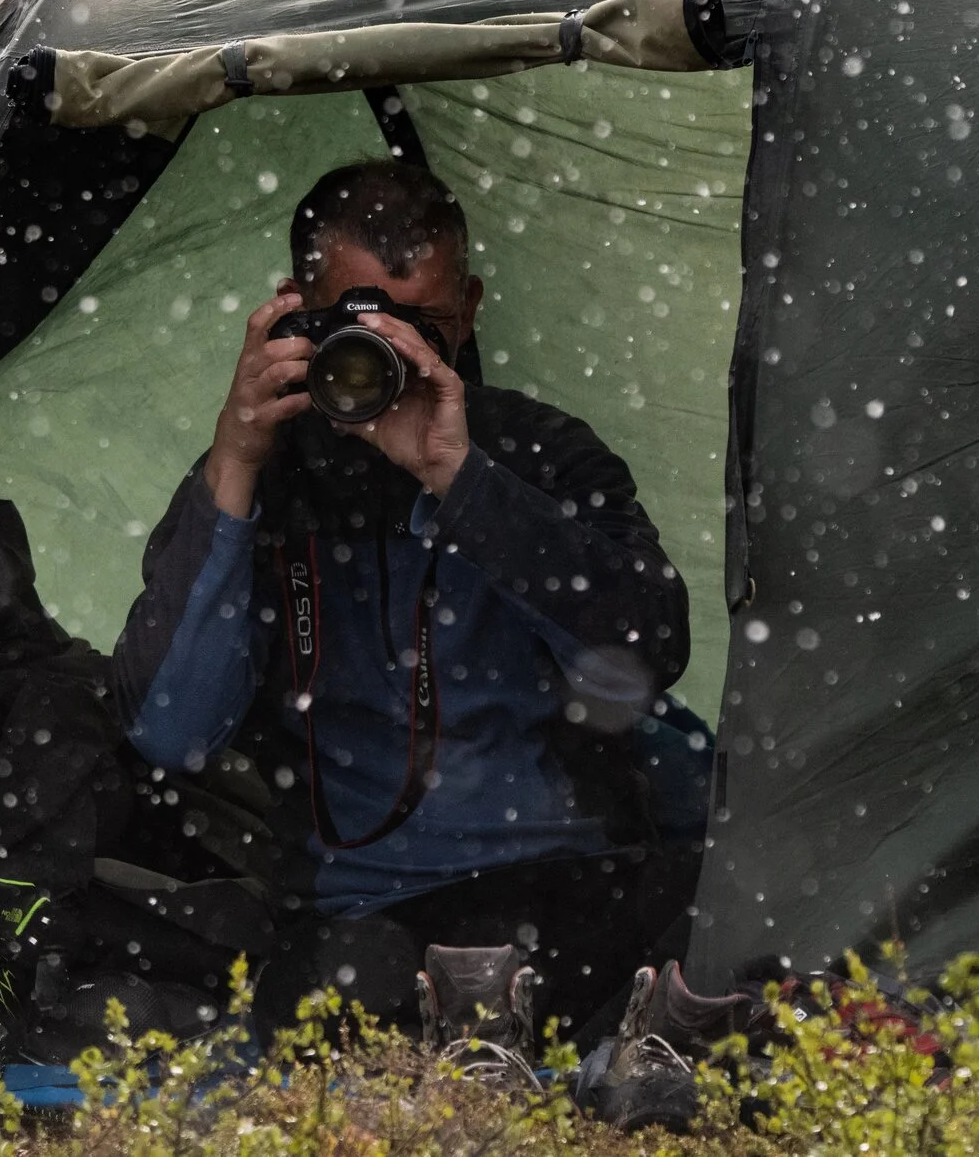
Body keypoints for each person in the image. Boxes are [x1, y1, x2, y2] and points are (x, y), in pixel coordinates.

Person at [111, 159, 702, 1038]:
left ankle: (560, 1052)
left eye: (419, 326)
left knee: (731, 911)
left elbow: (648, 653)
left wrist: (463, 479)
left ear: (469, 309)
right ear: (294, 312)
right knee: (316, 994)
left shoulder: (539, 452)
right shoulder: (265, 479)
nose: (386, 353)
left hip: (571, 886)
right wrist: (234, 459)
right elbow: (170, 731)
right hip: (370, 917)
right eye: (357, 326)